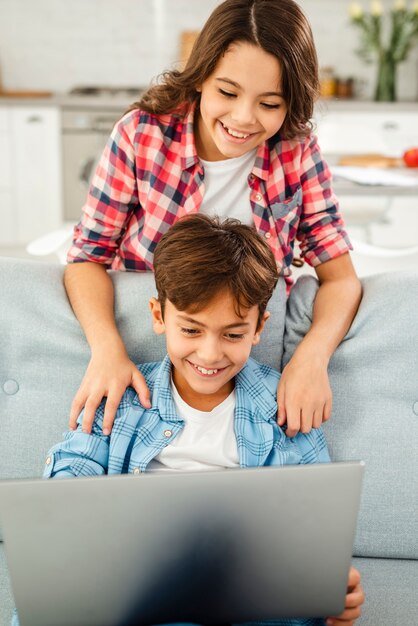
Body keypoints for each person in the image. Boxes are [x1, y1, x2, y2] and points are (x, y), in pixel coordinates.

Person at [12, 215, 364, 626]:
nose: (210, 355)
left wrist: (331, 597)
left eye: (232, 335)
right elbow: (71, 477)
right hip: (136, 599)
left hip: (250, 606)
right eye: (191, 330)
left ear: (258, 329)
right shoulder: (123, 396)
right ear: (159, 316)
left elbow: (316, 531)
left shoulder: (285, 407)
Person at [65, 0, 362, 440]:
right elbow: (86, 257)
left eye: (269, 103)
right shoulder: (141, 134)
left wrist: (312, 358)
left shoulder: (297, 153)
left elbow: (341, 278)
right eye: (227, 92)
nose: (243, 118)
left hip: (246, 359)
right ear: (201, 75)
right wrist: (107, 349)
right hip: (156, 349)